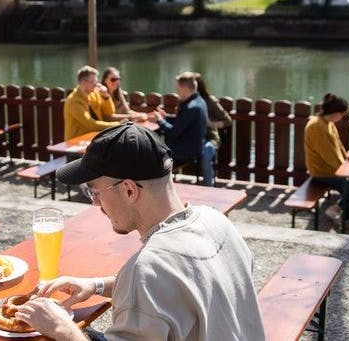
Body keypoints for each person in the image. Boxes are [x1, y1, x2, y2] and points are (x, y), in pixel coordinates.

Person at [16, 122, 265, 340]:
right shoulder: (216, 221)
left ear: (129, 190)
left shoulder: (147, 269)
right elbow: (181, 284)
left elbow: (154, 280)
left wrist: (63, 329)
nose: (96, 204)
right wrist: (97, 285)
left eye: (95, 192)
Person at [303, 93, 349, 229]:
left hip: (334, 169)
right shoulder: (316, 126)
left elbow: (338, 148)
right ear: (336, 113)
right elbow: (329, 157)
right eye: (342, 114)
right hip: (322, 172)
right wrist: (348, 170)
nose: (342, 117)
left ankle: (336, 208)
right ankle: (343, 221)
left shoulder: (327, 123)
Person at [152, 72, 208, 178]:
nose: (177, 93)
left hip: (185, 152)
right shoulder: (200, 101)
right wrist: (165, 117)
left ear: (185, 90)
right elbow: (183, 121)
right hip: (194, 148)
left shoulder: (191, 107)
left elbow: (173, 132)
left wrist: (159, 119)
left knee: (149, 157)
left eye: (178, 90)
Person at [195, 73, 232, 186]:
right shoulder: (183, 101)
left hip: (209, 138)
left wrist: (211, 123)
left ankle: (208, 187)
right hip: (191, 139)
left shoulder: (209, 101)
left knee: (206, 153)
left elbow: (227, 120)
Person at [63, 65, 117, 141]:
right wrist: (118, 125)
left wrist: (106, 96)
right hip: (75, 143)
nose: (96, 84)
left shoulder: (94, 94)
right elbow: (91, 125)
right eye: (93, 82)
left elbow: (110, 112)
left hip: (93, 138)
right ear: (83, 82)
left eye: (96, 81)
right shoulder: (73, 101)